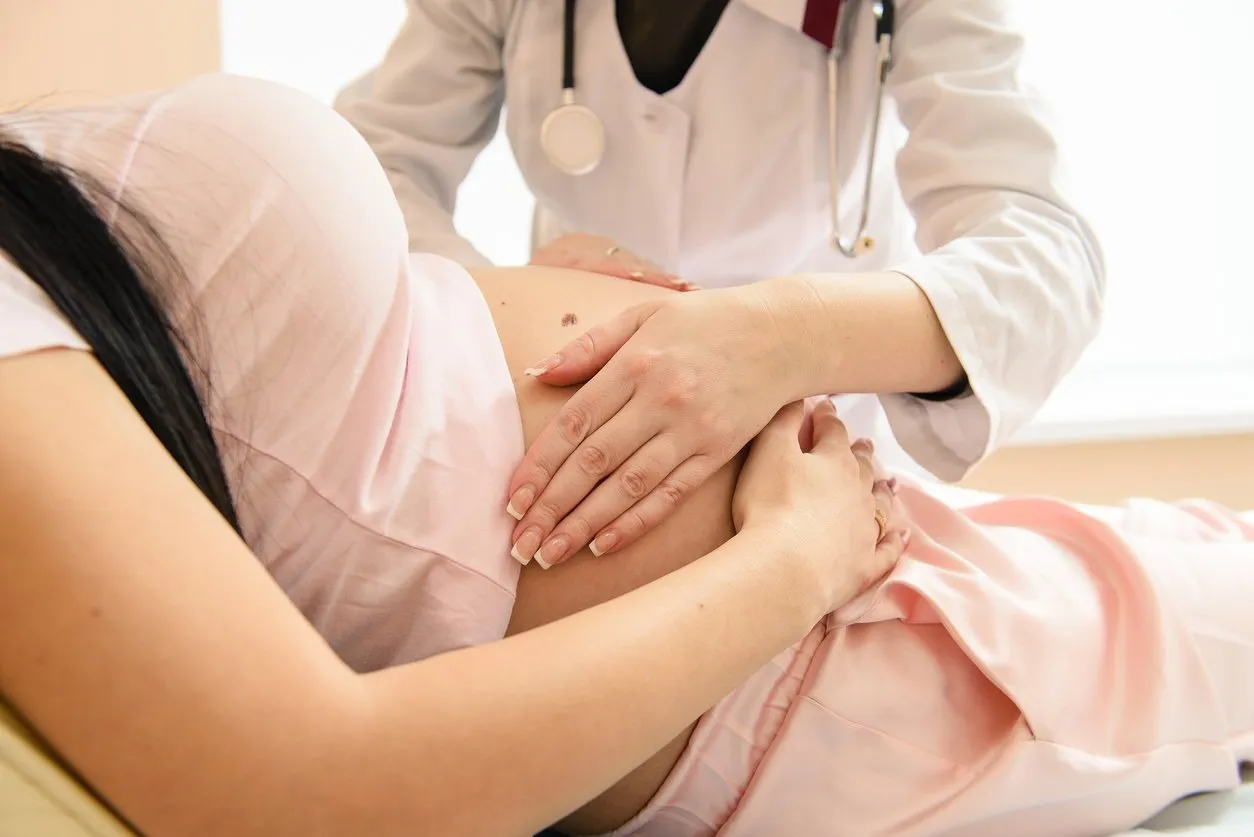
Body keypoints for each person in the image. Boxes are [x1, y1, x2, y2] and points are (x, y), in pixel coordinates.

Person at [1, 75, 1248, 837]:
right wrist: (795, 560)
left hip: (837, 548)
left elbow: (1044, 255)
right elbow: (302, 795)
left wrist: (481, 286)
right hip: (818, 663)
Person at [335, 0, 1107, 569]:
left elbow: (1046, 260)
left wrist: (785, 337)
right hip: (572, 437)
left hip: (819, 461)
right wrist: (500, 295)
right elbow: (364, 164)